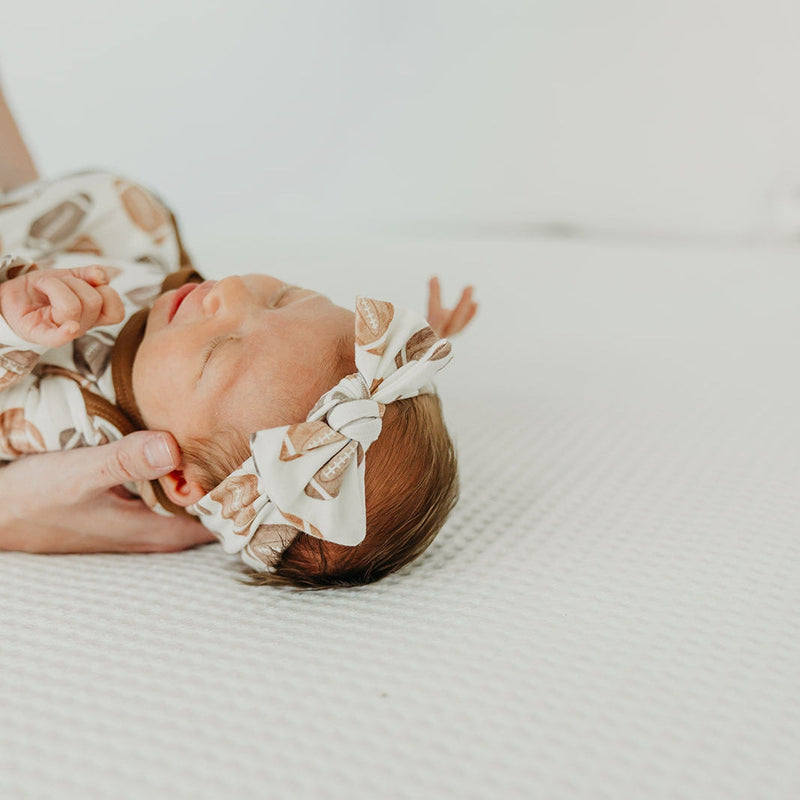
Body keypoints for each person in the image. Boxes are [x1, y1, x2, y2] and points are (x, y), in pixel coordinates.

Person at [0, 83, 477, 586]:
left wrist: (13, 325)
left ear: (179, 478)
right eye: (285, 298)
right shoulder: (183, 361)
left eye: (218, 350)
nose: (227, 291)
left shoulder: (75, 420)